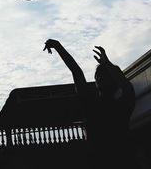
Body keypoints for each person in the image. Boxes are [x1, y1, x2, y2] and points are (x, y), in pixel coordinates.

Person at [43, 39, 135, 168]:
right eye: (99, 75)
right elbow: (127, 88)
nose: (100, 78)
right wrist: (108, 65)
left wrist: (58, 46)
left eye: (103, 76)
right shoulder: (121, 106)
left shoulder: (93, 104)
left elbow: (77, 72)